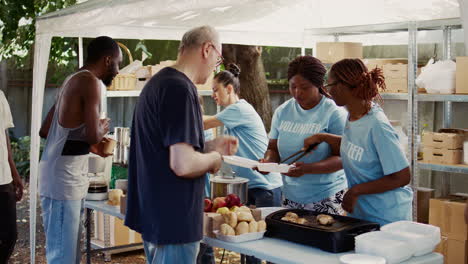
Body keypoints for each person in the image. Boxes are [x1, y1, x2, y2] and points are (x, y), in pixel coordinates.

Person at [125, 26, 238, 264]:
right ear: (207, 49)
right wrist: (214, 160)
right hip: (174, 220)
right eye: (218, 59)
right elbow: (183, 164)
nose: (216, 67)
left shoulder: (158, 83)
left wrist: (210, 147)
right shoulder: (180, 88)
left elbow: (167, 151)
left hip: (157, 215)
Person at [38, 36, 119, 263]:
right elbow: (93, 133)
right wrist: (101, 129)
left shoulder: (71, 80)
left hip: (55, 176)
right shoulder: (90, 81)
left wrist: (93, 146)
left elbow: (47, 130)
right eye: (117, 63)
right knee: (63, 257)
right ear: (107, 59)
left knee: (65, 254)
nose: (118, 70)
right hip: (64, 183)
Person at [304, 58, 412, 226]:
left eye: (330, 86)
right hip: (363, 215)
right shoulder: (353, 115)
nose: (328, 91)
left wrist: (355, 191)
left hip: (387, 219)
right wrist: (323, 137)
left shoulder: (377, 125)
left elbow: (402, 176)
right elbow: (358, 148)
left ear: (342, 86)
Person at [260, 56, 347, 214]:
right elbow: (273, 148)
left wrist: (308, 169)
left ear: (319, 85)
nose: (297, 93)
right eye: (293, 87)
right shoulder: (282, 111)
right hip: (290, 196)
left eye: (304, 87)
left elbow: (343, 158)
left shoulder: (334, 112)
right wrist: (268, 162)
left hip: (327, 196)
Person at [204, 63, 283, 208]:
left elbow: (204, 123)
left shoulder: (239, 109)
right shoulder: (231, 116)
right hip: (254, 186)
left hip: (265, 188)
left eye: (215, 90)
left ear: (229, 89)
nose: (212, 95)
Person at [0, 90, 23, 263]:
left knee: (9, 236)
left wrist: (14, 172)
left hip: (3, 178)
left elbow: (4, 134)